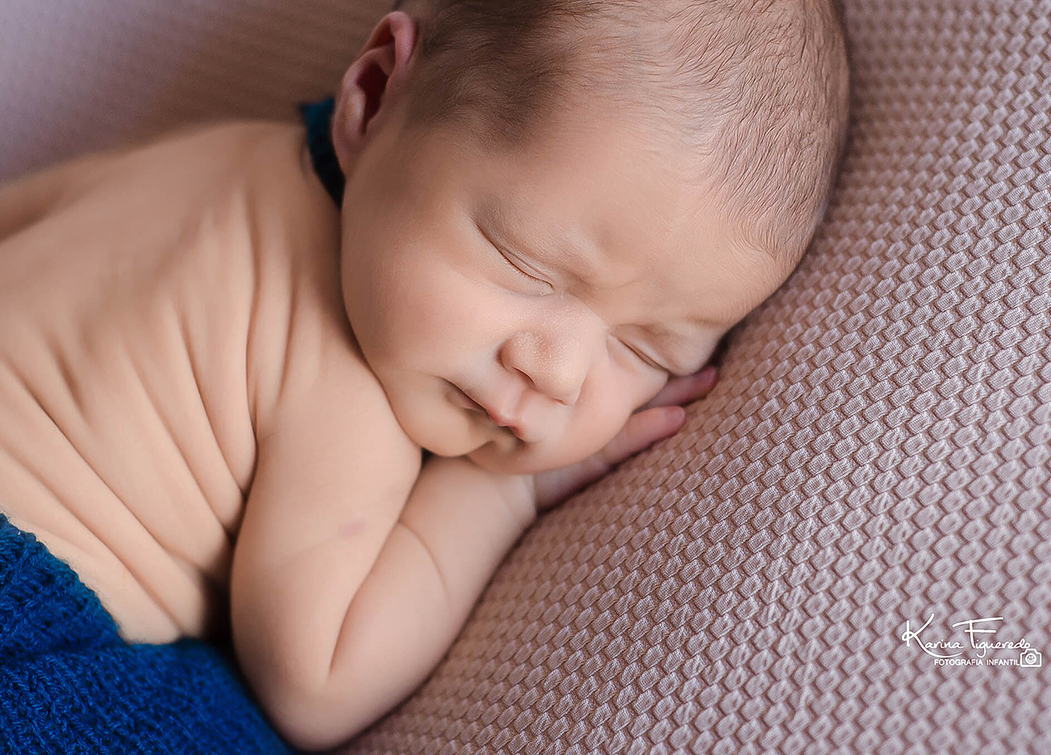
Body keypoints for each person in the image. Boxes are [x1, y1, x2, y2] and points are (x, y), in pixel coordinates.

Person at [0, 0, 848, 750]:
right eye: (528, 266)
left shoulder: (205, 156)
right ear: (370, 99)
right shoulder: (345, 400)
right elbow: (314, 684)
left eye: (647, 352)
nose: (555, 371)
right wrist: (499, 495)